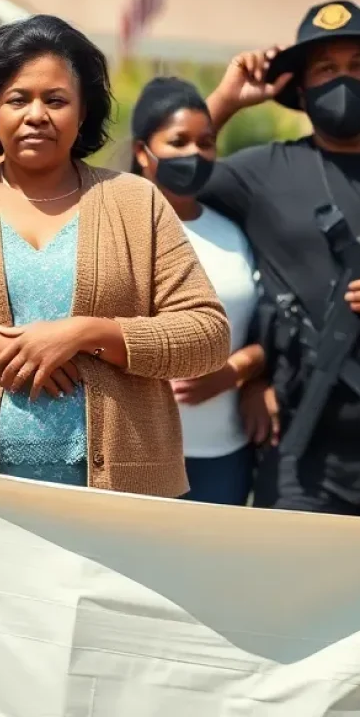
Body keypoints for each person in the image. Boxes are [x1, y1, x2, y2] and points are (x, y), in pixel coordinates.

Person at [0, 15, 230, 492]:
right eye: (17, 99)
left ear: (83, 111)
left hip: (118, 503)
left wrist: (85, 333)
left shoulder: (135, 202)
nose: (36, 115)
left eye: (56, 100)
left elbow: (207, 336)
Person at [200, 0, 360, 518]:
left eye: (359, 65)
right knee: (287, 598)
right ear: (301, 89)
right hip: (299, 458)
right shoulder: (262, 172)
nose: (343, 78)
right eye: (325, 68)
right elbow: (156, 183)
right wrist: (225, 101)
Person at [131, 77, 265, 505]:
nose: (194, 154)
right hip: (134, 452)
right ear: (142, 152)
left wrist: (237, 370)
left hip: (223, 454)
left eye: (206, 143)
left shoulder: (235, 230)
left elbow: (272, 330)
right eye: (178, 141)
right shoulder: (115, 228)